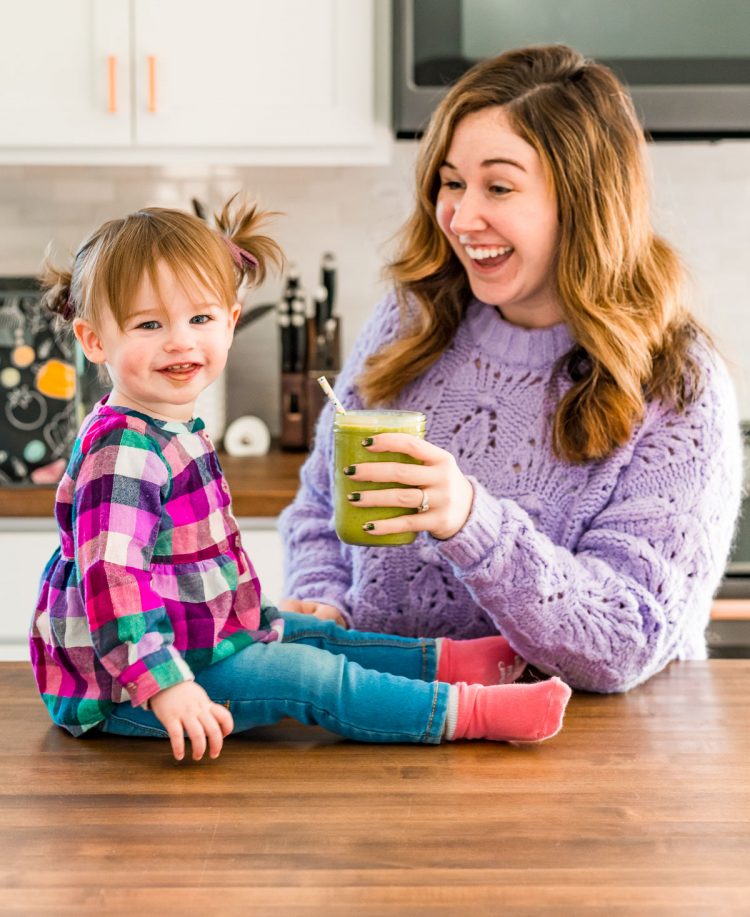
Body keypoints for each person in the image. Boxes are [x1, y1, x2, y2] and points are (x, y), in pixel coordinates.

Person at [29, 198, 571, 762]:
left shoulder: (171, 422)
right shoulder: (124, 450)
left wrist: (246, 618)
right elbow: (112, 581)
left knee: (315, 636)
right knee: (308, 674)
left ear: (230, 321)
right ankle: (468, 713)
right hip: (122, 689)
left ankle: (460, 663)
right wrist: (168, 686)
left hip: (199, 643)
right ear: (93, 340)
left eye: (200, 318)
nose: (181, 341)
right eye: (149, 324)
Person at [279, 44, 743, 694]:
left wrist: (471, 519)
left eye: (499, 186)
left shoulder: (676, 382)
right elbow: (319, 506)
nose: (463, 218)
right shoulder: (412, 321)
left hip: (592, 764)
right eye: (451, 182)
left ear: (583, 201)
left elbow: (625, 639)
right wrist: (323, 602)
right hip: (382, 725)